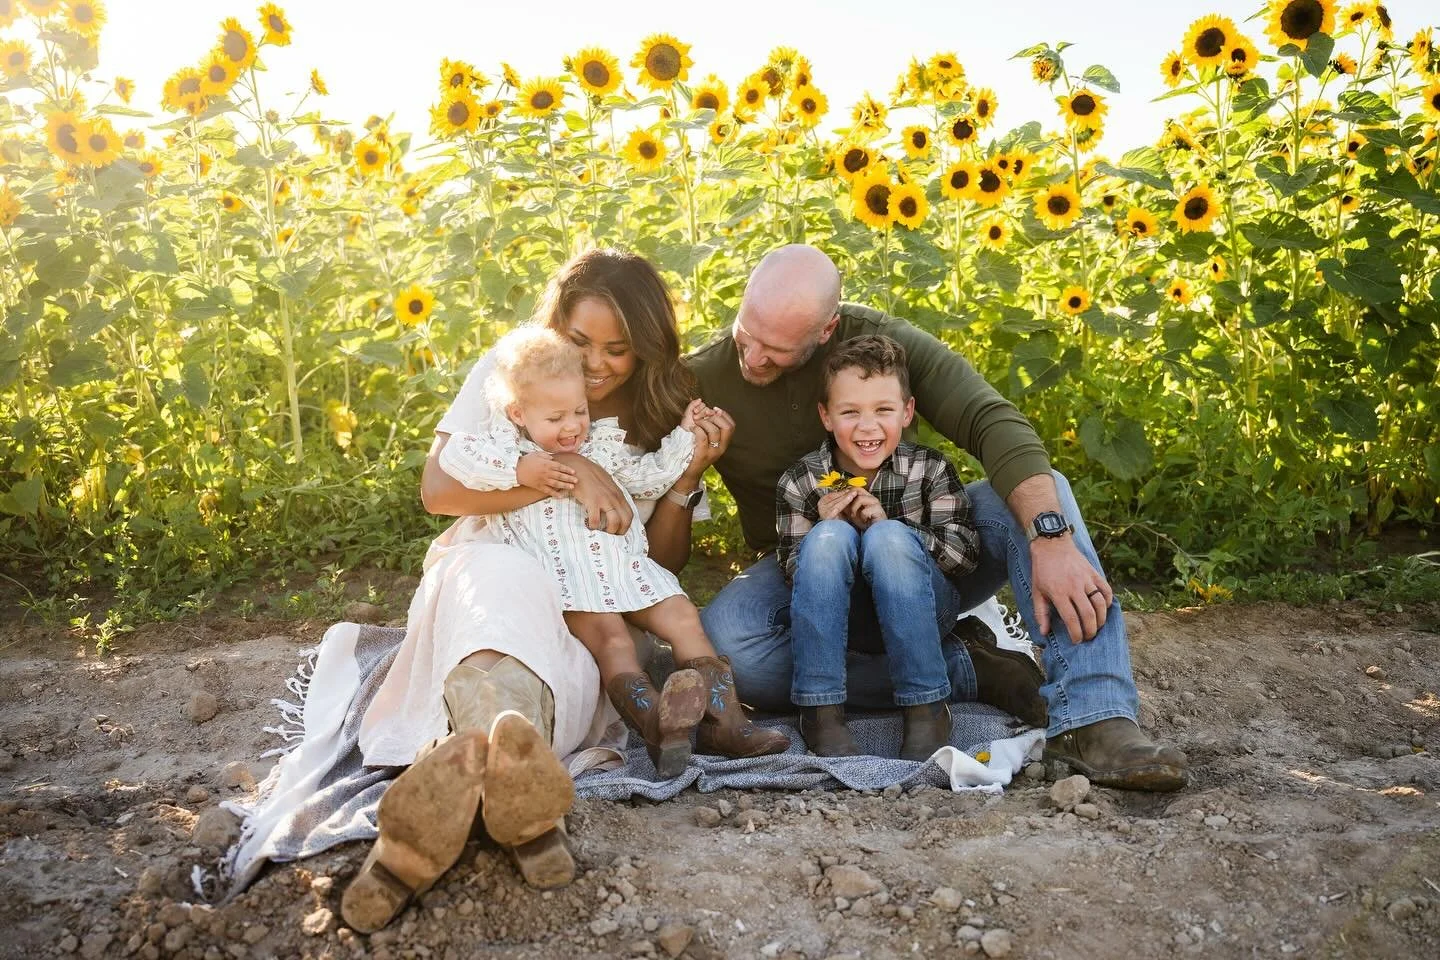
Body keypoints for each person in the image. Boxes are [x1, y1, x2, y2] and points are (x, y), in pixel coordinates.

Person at [686, 243, 1189, 792]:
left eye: (777, 349)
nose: (752, 357)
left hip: (923, 560)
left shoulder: (881, 344)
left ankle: (1095, 716)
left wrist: (1049, 535)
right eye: (745, 333)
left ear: (827, 330)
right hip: (808, 573)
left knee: (1048, 494)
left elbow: (992, 421)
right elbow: (615, 428)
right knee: (730, 645)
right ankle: (968, 667)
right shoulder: (704, 377)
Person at [340, 249, 740, 933]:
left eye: (618, 350)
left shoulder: (662, 410)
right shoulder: (516, 369)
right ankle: (509, 781)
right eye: (579, 340)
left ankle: (466, 781)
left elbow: (666, 558)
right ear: (556, 323)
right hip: (502, 556)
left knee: (579, 669)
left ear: (645, 351)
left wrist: (686, 477)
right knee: (498, 599)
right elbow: (439, 490)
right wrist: (567, 469)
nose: (594, 363)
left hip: (597, 602)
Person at [436, 325, 789, 777]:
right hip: (565, 578)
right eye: (556, 417)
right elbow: (456, 460)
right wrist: (521, 467)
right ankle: (658, 730)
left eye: (579, 411)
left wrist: (685, 437)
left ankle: (727, 723)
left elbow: (650, 477)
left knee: (683, 615)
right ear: (518, 413)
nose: (571, 427)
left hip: (622, 567)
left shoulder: (598, 445)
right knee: (614, 641)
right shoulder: (507, 452)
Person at [776, 335, 981, 761]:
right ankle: (821, 711)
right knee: (829, 538)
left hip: (924, 610)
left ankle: (926, 707)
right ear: (826, 416)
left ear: (906, 412)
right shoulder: (801, 481)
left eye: (883, 410)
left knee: (888, 538)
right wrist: (824, 531)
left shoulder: (930, 469)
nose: (868, 427)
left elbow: (964, 555)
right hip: (845, 621)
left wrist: (890, 530)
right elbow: (792, 573)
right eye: (850, 412)